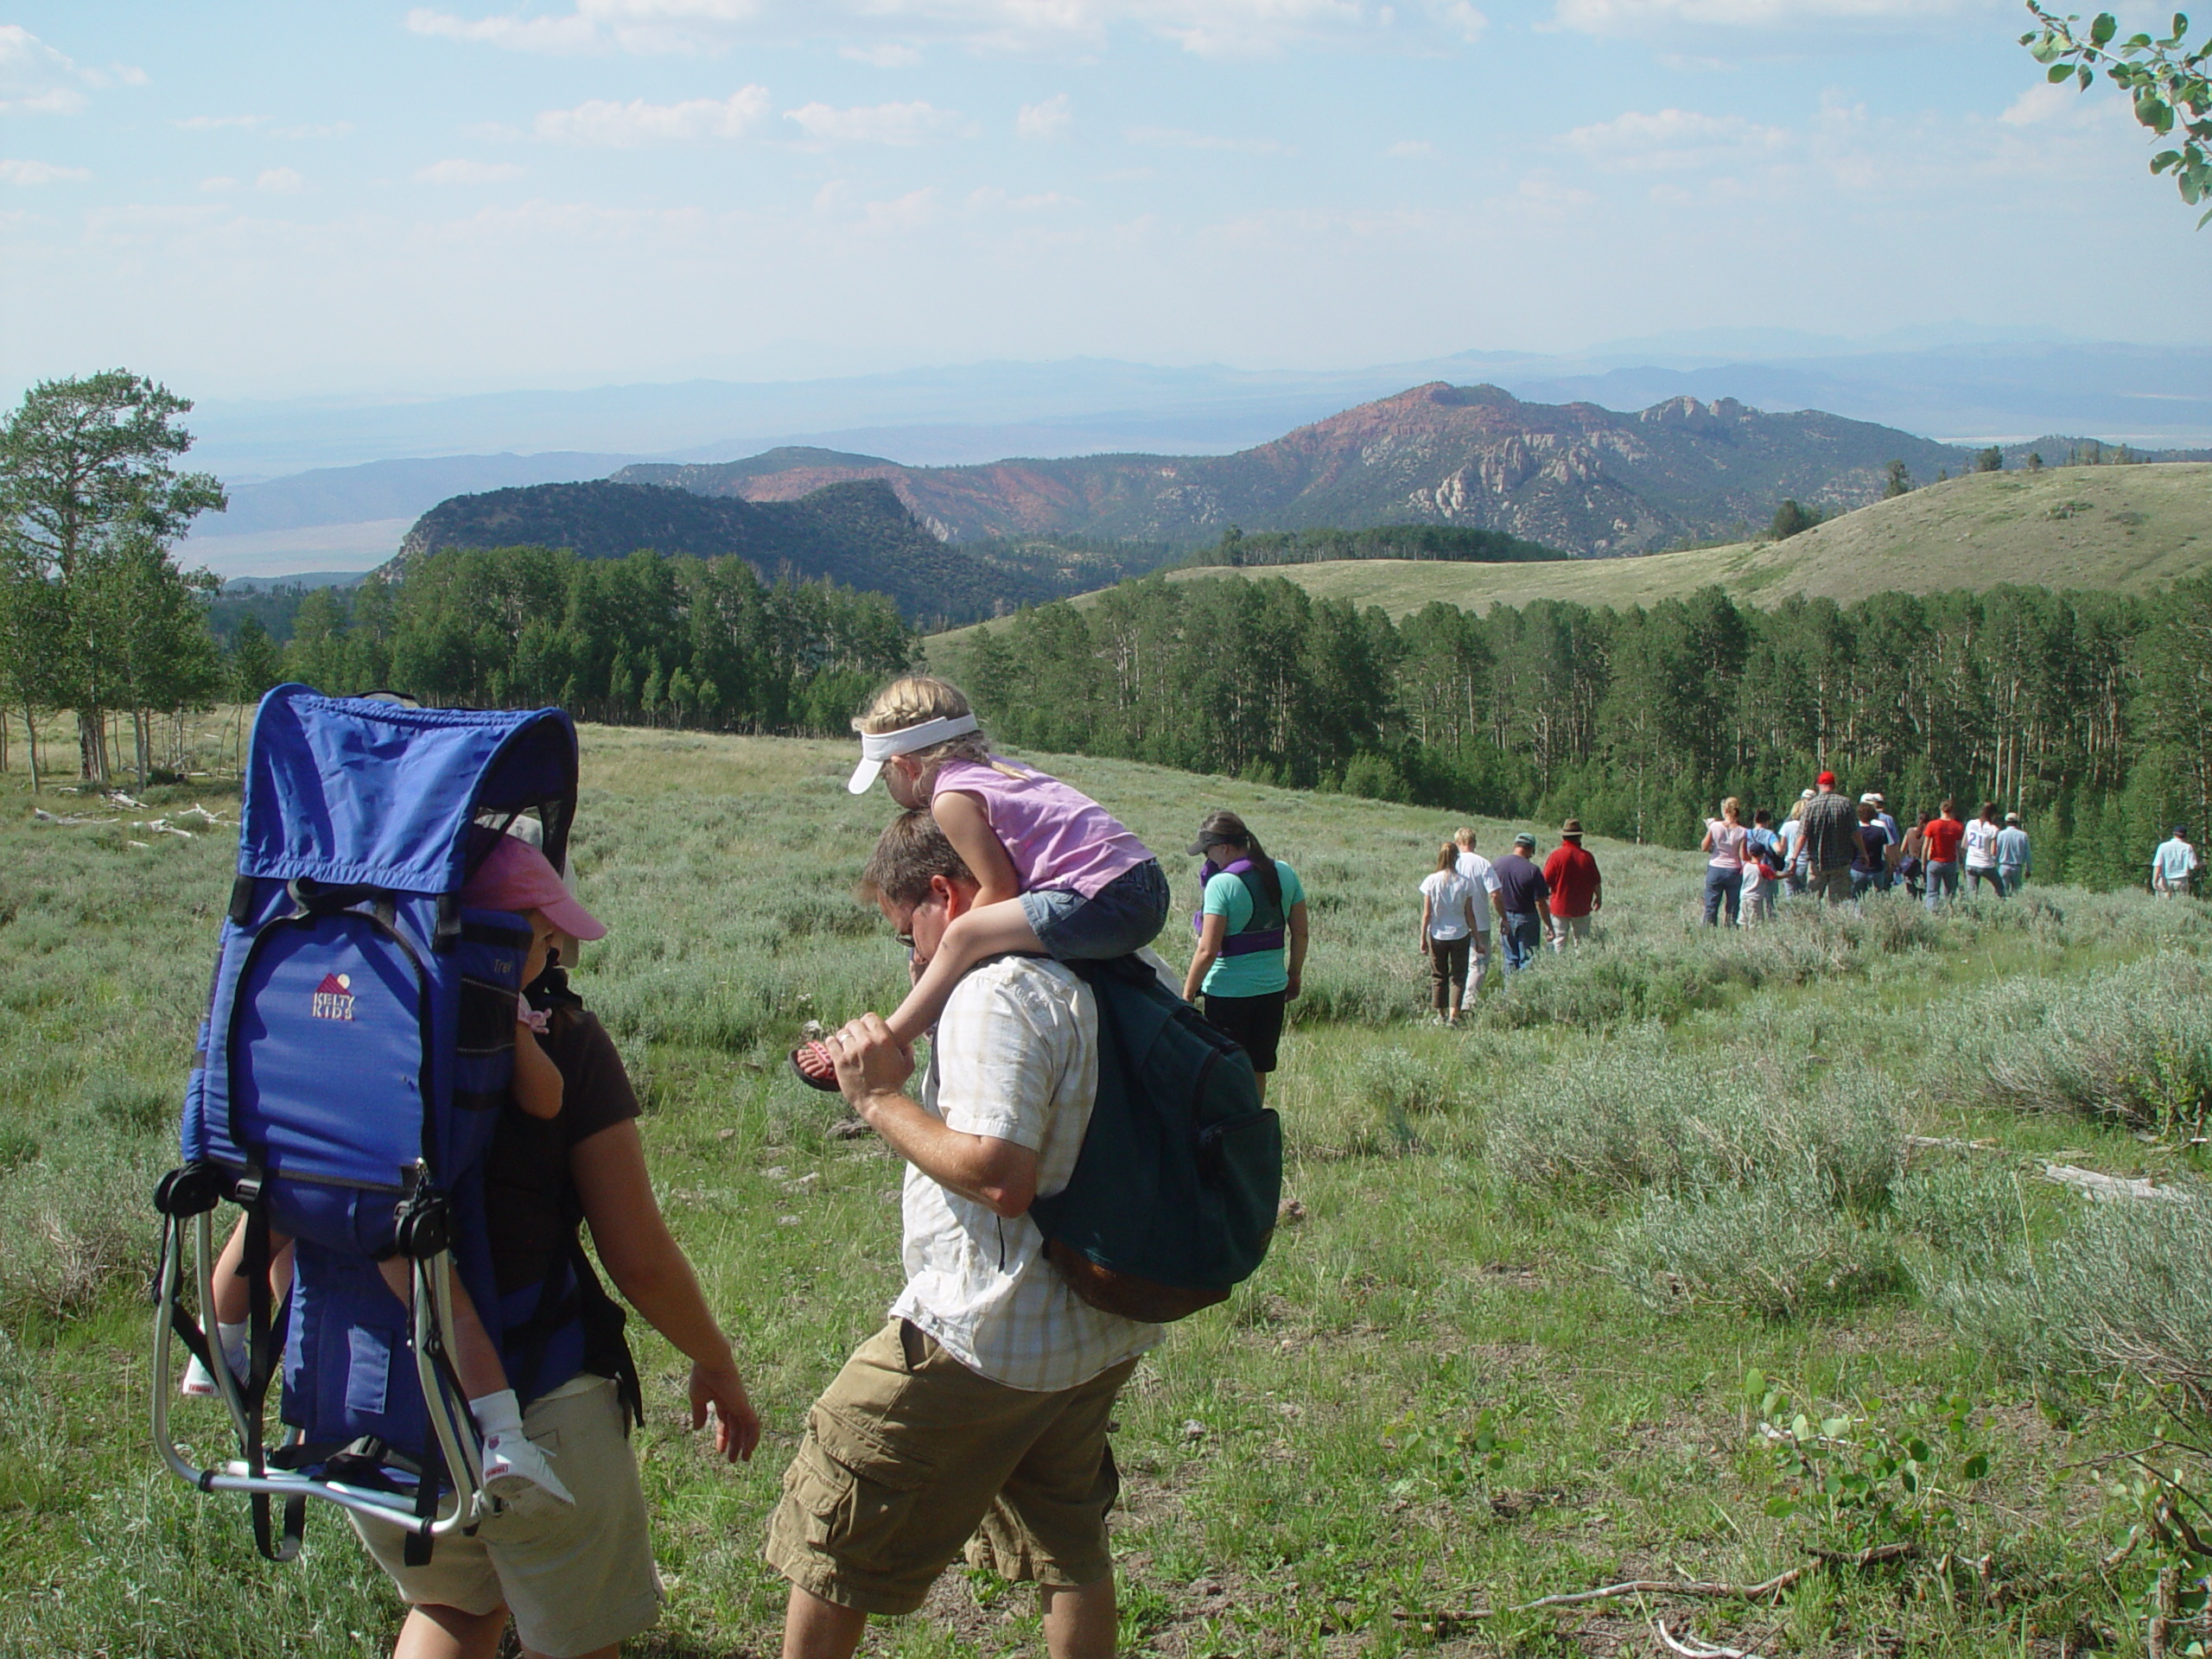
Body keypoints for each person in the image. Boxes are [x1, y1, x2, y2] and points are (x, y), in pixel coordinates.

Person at [769, 812, 1163, 1659]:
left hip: (987, 1331)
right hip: (1099, 1322)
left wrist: (876, 1101)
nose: (909, 956)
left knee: (832, 1514)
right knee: (1070, 1542)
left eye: (903, 928)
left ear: (943, 896)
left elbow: (998, 1177)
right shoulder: (1119, 966)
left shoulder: (998, 991)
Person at [354, 841, 761, 1659]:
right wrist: (715, 1359)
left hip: (386, 1400)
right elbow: (635, 1253)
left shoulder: (356, 1024)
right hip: (536, 1402)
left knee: (456, 1608)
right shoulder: (565, 1036)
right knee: (575, 1641)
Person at [182, 836, 608, 1506]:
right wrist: (519, 1024)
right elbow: (545, 1099)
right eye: (544, 938)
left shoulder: (369, 960)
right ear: (500, 936)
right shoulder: (490, 997)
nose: (553, 955)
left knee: (266, 1215)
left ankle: (216, 1342)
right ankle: (501, 1433)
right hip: (388, 1200)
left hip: (305, 1153)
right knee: (443, 1306)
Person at [795, 675, 1167, 1089]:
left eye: (886, 777)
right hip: (1140, 882)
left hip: (1107, 897)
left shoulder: (951, 797)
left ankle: (885, 1040)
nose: (890, 787)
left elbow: (997, 887)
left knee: (966, 933)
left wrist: (954, 951)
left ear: (905, 766)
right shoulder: (996, 771)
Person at [1181, 810, 1308, 1103]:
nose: (1207, 859)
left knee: (1224, 1069)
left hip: (1228, 995)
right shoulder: (1285, 872)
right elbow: (1301, 934)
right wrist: (1294, 974)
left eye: (1209, 851)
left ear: (1224, 848)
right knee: (1257, 1068)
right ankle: (1253, 1126)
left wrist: (1186, 995)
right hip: (1272, 990)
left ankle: (1225, 1132)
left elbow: (1207, 950)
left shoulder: (1221, 885)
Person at [1418, 842, 1481, 1026]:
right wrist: (1478, 939)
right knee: (1458, 976)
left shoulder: (1431, 881)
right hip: (1460, 933)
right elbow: (1470, 914)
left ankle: (1441, 1014)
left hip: (1437, 934)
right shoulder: (1465, 882)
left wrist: (1422, 938)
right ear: (1456, 858)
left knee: (1438, 975)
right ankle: (1454, 1015)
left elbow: (1427, 913)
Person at [1452, 827, 1503, 998]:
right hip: (1480, 922)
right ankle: (1469, 1003)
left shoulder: (1451, 863)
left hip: (1454, 923)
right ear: (1474, 843)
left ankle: (1453, 1004)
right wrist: (1503, 917)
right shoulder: (1483, 863)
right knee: (1478, 965)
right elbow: (1495, 894)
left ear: (1456, 843)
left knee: (1456, 965)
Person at [1491, 832, 1551, 972]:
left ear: (1515, 846)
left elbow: (1494, 894)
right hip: (1527, 918)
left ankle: (1509, 992)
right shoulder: (1532, 870)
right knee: (1528, 960)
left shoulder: (1498, 864)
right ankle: (1524, 991)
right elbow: (1541, 902)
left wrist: (1503, 917)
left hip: (1506, 916)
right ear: (1531, 849)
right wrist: (1549, 925)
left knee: (1510, 959)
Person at [1800, 771, 1859, 904]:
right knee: (1838, 901)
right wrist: (1863, 852)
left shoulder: (1811, 805)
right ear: (1834, 785)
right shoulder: (1845, 803)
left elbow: (1803, 834)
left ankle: (1811, 923)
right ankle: (1837, 923)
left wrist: (1794, 858)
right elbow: (1855, 832)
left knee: (1812, 899)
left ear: (1818, 785)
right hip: (1841, 861)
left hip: (1817, 861)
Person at [1541, 819, 1601, 950]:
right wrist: (1598, 898)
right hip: (1582, 907)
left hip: (1559, 906)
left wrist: (1543, 899)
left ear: (1564, 836)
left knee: (1559, 940)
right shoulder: (1587, 857)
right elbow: (1596, 881)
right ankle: (1582, 965)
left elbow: (1545, 881)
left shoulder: (1556, 856)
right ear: (1579, 836)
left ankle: (1557, 966)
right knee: (1582, 941)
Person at [1700, 798, 1747, 926]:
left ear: (1725, 810)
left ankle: (1709, 929)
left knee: (1711, 904)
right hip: (1734, 869)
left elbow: (1704, 847)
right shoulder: (1743, 831)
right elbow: (1743, 855)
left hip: (1716, 867)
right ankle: (1731, 928)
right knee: (1732, 905)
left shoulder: (1715, 826)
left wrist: (1709, 830)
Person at [1739, 808, 1782, 925]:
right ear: (1768, 821)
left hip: (1750, 869)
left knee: (1750, 896)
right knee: (1771, 899)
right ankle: (1772, 922)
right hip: (1766, 870)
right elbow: (1778, 850)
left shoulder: (1747, 833)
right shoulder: (1769, 834)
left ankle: (1747, 921)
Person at [1922, 799, 1966, 909]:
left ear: (1941, 809)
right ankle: (1949, 911)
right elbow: (1960, 847)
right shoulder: (1958, 826)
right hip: (1950, 862)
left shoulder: (1932, 825)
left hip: (1935, 861)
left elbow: (1925, 847)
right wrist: (1962, 864)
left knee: (1932, 893)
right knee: (1950, 893)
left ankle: (1933, 913)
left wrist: (1923, 863)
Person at [1962, 802, 2005, 899]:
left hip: (1971, 862)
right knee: (2000, 887)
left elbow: (1964, 844)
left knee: (1972, 893)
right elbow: (1993, 851)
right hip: (1985, 864)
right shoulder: (1993, 829)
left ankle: (1971, 912)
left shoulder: (1970, 823)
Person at [1850, 801, 1891, 900]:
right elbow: (1886, 851)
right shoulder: (1880, 830)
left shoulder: (1855, 832)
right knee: (1877, 900)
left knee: (1855, 899)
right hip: (1876, 869)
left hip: (1857, 868)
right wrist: (1889, 865)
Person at [1862, 793, 1900, 889]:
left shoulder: (1855, 822)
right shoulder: (1884, 822)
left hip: (1859, 866)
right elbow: (1891, 844)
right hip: (1879, 863)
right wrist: (1893, 862)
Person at [1777, 791, 1811, 896]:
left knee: (1790, 893)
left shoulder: (1787, 826)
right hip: (1804, 862)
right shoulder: (1809, 826)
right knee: (1806, 894)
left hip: (1789, 861)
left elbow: (1782, 848)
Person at [2152, 824, 2199, 897]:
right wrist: (2202, 864)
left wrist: (2155, 881)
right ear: (2185, 836)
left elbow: (2158, 865)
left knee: (2164, 905)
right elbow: (2193, 866)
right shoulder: (2188, 847)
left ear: (2173, 834)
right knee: (2181, 905)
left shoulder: (2163, 846)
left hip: (2165, 879)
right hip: (2181, 880)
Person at [1996, 811, 2031, 895]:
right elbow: (2028, 854)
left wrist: (1994, 865)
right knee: (2016, 893)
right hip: (2017, 867)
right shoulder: (2023, 835)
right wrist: (2028, 869)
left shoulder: (2001, 834)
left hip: (2003, 866)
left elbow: (1997, 851)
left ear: (2006, 822)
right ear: (2017, 822)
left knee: (2003, 893)